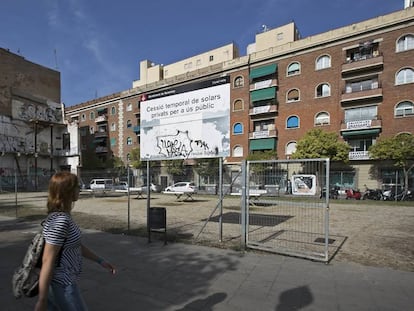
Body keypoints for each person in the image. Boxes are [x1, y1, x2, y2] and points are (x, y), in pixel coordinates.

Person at [35, 171, 116, 311]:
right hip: (61, 284)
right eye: (77, 187)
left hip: (59, 283)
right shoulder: (60, 221)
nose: (80, 189)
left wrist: (101, 261)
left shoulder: (63, 216)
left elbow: (76, 245)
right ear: (67, 191)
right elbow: (47, 260)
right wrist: (41, 300)